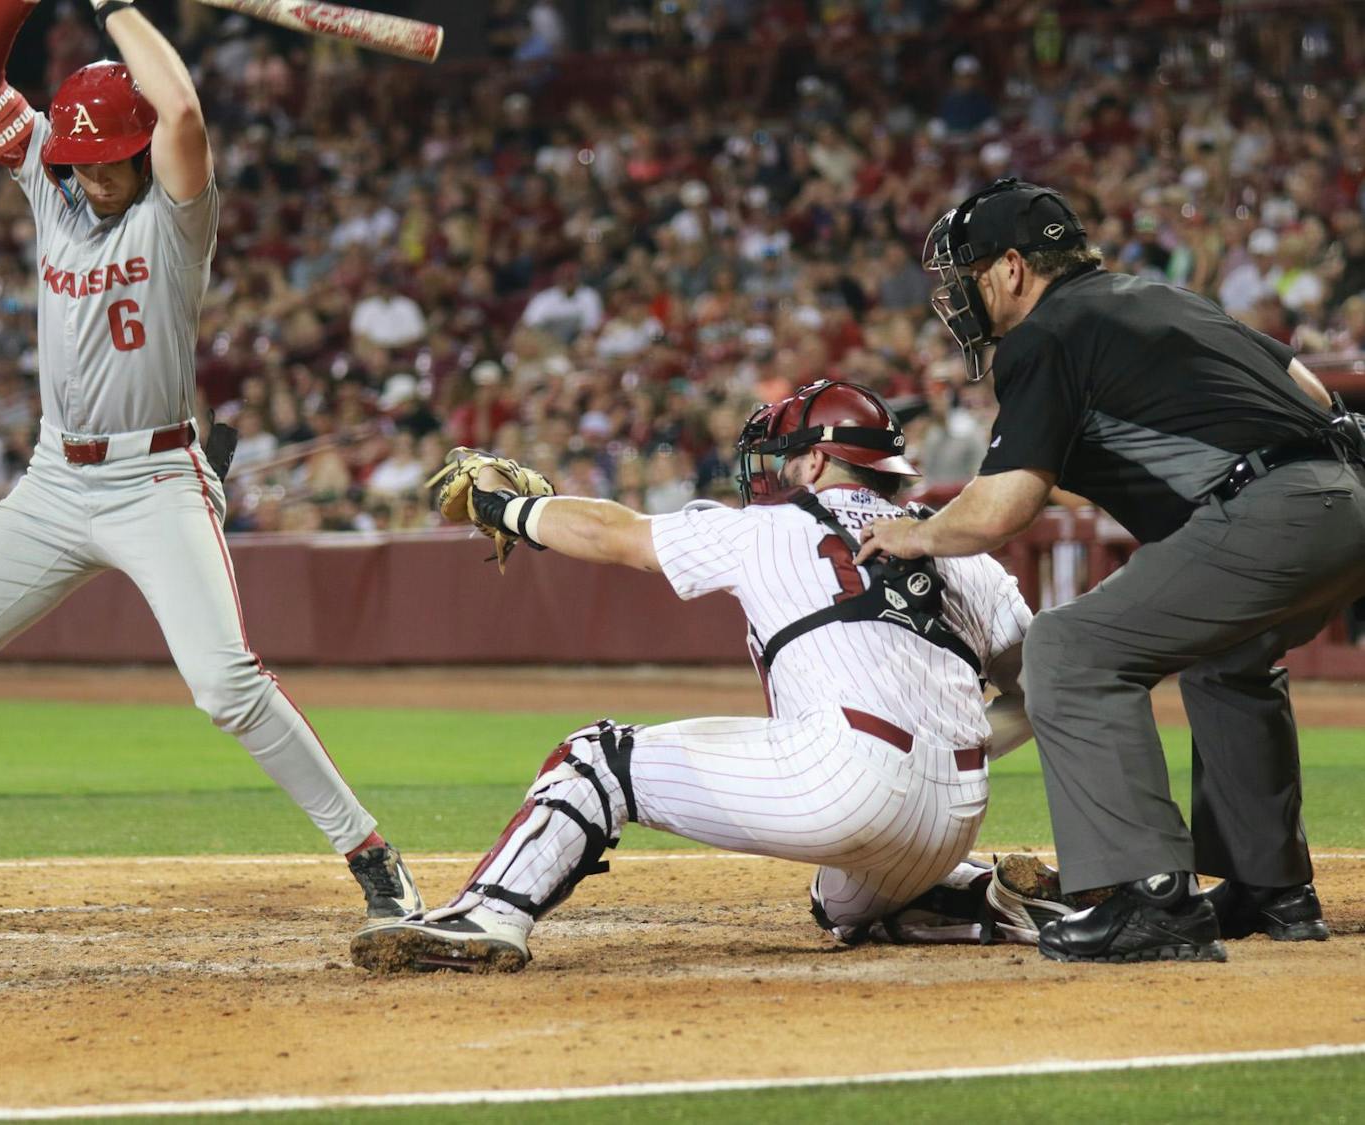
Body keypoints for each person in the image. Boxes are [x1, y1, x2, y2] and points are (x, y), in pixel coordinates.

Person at [0, 0, 421, 935]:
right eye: (77, 163)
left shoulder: (177, 216)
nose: (88, 178)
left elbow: (188, 117)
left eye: (106, 159)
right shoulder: (54, 182)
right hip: (53, 481)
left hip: (157, 482)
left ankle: (371, 853)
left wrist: (119, 7)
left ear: (138, 148)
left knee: (225, 686)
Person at [351, 380, 1053, 973]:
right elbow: (1041, 693)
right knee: (837, 902)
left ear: (814, 463)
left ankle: (487, 915)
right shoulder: (962, 550)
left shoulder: (773, 526)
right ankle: (991, 895)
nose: (767, 473)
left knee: (598, 758)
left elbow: (611, 532)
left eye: (780, 457)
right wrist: (948, 747)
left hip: (840, 780)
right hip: (955, 813)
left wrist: (501, 506)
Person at [857, 177, 1365, 964]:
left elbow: (999, 510)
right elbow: (1306, 386)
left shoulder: (1043, 334)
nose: (963, 292)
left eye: (972, 271)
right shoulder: (1164, 298)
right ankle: (1272, 889)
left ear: (1016, 268)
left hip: (1272, 511)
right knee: (1230, 657)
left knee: (1067, 649)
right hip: (1344, 495)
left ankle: (1147, 895)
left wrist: (915, 534)